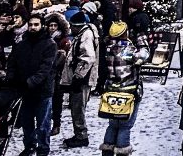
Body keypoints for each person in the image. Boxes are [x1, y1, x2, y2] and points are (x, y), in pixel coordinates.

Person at [9, 12, 58, 156]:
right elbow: (12, 63)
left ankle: (43, 149)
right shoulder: (21, 44)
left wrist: (30, 82)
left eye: (36, 25)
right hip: (25, 91)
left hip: (42, 91)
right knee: (27, 123)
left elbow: (45, 69)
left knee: (43, 124)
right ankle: (29, 146)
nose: (33, 27)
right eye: (30, 25)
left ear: (42, 26)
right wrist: (12, 78)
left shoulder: (49, 44)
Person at [100, 21, 150, 155]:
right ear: (124, 33)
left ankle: (107, 151)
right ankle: (122, 151)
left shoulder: (108, 48)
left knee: (113, 124)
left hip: (112, 91)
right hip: (128, 91)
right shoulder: (127, 50)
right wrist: (141, 38)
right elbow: (144, 55)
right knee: (125, 125)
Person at [60, 11, 98, 149]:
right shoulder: (83, 34)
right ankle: (79, 134)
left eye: (72, 26)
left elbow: (88, 58)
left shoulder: (85, 36)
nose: (71, 29)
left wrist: (78, 76)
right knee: (77, 107)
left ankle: (81, 136)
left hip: (82, 80)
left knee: (78, 108)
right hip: (82, 79)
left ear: (77, 26)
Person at [44, 13, 70, 138]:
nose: (52, 27)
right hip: (46, 74)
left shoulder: (63, 40)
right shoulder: (44, 39)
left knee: (56, 100)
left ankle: (56, 124)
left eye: (55, 25)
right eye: (50, 25)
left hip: (58, 74)